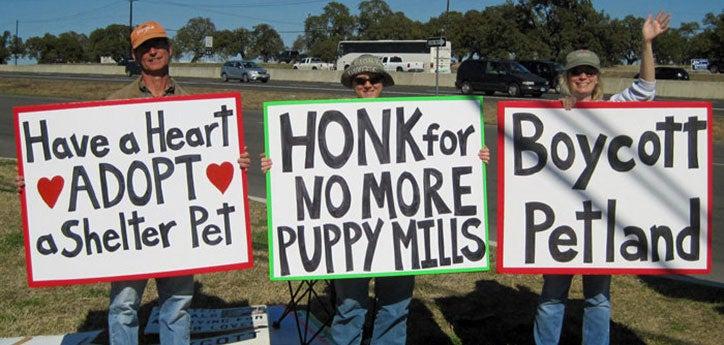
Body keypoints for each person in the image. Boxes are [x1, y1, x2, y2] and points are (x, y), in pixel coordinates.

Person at [16, 20, 251, 345]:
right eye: (144, 48)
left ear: (170, 50)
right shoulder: (114, 103)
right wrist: (34, 177)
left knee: (177, 305)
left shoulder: (194, 106)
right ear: (135, 55)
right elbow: (82, 163)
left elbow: (208, 160)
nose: (152, 52)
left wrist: (234, 162)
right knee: (124, 305)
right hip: (130, 230)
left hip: (179, 227)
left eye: (157, 45)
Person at [260, 54, 489, 345]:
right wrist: (275, 164)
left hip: (400, 235)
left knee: (394, 309)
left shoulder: (410, 120)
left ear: (384, 83)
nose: (368, 85)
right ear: (352, 84)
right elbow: (302, 165)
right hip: (351, 238)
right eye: (361, 80)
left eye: (374, 79)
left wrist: (473, 156)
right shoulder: (326, 122)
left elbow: (446, 154)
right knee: (349, 308)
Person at [532, 12, 671, 345]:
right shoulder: (549, 113)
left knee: (598, 298)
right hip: (561, 221)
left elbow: (646, 90)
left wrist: (646, 43)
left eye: (589, 71)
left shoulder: (614, 106)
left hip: (601, 220)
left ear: (597, 77)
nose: (582, 76)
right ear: (567, 77)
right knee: (552, 297)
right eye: (576, 72)